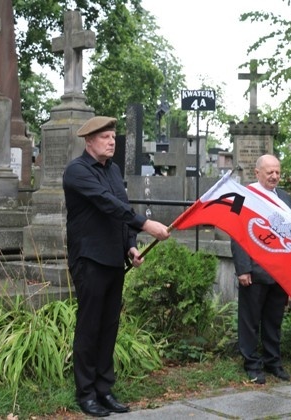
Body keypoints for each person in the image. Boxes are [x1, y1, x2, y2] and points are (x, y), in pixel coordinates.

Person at [63, 116, 171, 417]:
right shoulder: (77, 171)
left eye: (113, 136)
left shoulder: (112, 171)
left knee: (109, 326)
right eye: (105, 137)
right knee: (90, 326)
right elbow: (106, 203)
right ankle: (85, 394)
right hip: (89, 259)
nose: (112, 141)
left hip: (113, 258)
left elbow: (122, 212)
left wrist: (131, 245)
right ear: (89, 141)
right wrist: (147, 224)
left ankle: (104, 389)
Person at [231, 154, 291, 384]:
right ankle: (252, 364)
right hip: (254, 271)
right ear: (257, 173)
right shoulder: (245, 196)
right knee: (250, 321)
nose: (274, 176)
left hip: (279, 270)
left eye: (277, 172)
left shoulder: (285, 198)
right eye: (270, 172)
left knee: (273, 320)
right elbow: (237, 233)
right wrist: (243, 269)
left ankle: (273, 362)